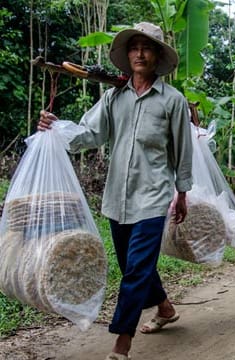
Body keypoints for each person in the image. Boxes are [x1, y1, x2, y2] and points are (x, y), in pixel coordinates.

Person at [37, 22, 193, 360]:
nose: (139, 53)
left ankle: (122, 342)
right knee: (132, 266)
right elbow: (89, 134)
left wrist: (182, 192)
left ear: (157, 56)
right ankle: (165, 308)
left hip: (153, 198)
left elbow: (183, 151)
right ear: (128, 55)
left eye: (147, 47)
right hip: (117, 198)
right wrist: (55, 128)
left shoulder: (172, 102)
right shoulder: (114, 97)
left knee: (136, 269)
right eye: (134, 47)